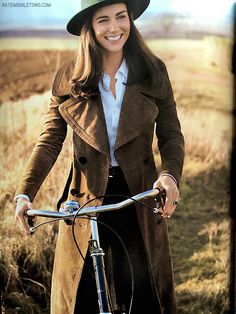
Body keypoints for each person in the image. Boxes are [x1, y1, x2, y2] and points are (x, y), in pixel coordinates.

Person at [15, 0, 185, 313]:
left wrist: (170, 175)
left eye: (121, 17)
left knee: (144, 294)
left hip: (139, 196)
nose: (114, 28)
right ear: (90, 29)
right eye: (103, 20)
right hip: (85, 200)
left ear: (130, 21)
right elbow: (49, 140)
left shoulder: (153, 72)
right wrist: (24, 194)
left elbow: (171, 135)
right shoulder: (69, 78)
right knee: (82, 299)